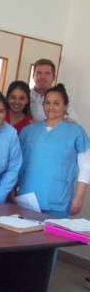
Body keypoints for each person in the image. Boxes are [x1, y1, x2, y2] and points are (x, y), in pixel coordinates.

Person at [18, 84, 90, 218]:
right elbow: (17, 163)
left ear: (65, 106)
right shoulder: (28, 131)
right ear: (43, 105)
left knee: (53, 238)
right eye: (47, 103)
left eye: (56, 103)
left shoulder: (76, 131)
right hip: (26, 198)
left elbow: (86, 167)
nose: (51, 107)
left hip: (57, 201)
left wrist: (79, 198)